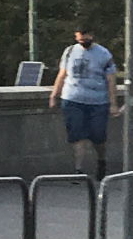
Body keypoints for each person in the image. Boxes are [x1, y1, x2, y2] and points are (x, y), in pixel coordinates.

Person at [47, 23, 120, 179]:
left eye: (85, 39)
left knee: (98, 136)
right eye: (79, 39)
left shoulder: (103, 54)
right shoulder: (69, 52)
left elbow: (110, 80)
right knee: (76, 135)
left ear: (91, 36)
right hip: (72, 98)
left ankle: (101, 161)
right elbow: (62, 74)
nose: (82, 42)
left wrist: (113, 103)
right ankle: (78, 170)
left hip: (97, 101)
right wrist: (54, 94)